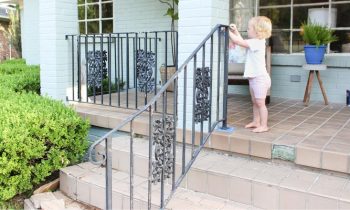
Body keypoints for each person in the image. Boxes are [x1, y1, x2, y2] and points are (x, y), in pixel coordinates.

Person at [228, 16, 272, 133]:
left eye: (249, 28)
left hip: (260, 78)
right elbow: (242, 41)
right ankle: (256, 121)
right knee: (254, 102)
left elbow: (238, 42)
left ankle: (264, 125)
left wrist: (225, 31)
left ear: (257, 31)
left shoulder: (258, 42)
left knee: (260, 103)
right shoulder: (254, 42)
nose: (247, 30)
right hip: (254, 78)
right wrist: (235, 31)